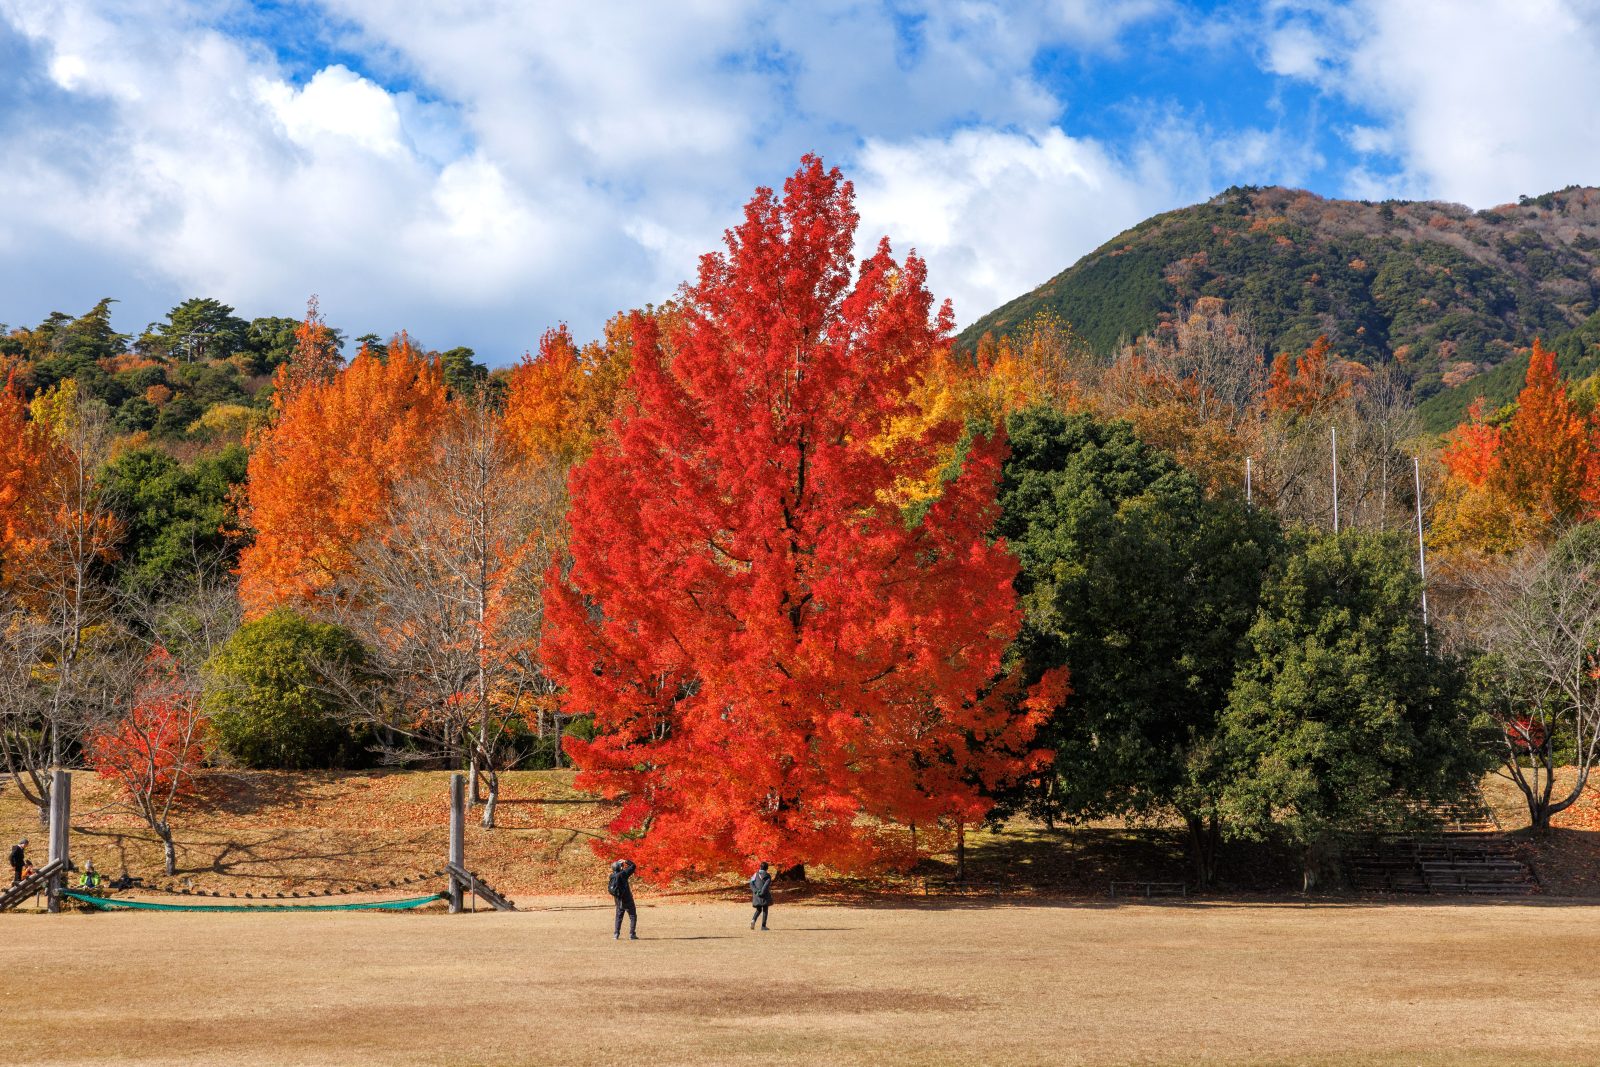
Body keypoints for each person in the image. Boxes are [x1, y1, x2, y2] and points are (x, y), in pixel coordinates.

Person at [608, 858, 638, 940]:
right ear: (620, 867)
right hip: (627, 899)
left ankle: (616, 934)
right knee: (632, 916)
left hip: (618, 899)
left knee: (619, 916)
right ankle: (632, 934)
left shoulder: (611, 876)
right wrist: (626, 861)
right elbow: (633, 866)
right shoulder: (623, 874)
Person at [749, 861, 773, 930]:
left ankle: (753, 920)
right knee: (765, 910)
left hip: (757, 894)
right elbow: (766, 885)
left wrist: (756, 891)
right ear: (767, 868)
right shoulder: (768, 876)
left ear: (760, 867)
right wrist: (762, 892)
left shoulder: (755, 874)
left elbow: (751, 883)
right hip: (764, 895)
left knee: (758, 909)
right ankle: (763, 926)